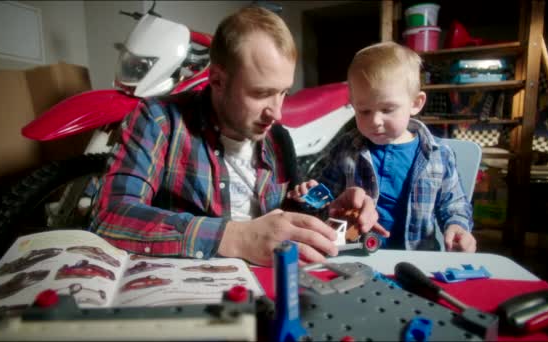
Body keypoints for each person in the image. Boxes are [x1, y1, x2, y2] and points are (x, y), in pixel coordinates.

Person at [89, 6, 388, 266]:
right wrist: (235, 236)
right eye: (261, 94)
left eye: (283, 92)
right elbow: (111, 216)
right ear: (217, 80)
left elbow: (284, 215)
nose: (277, 113)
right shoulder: (158, 121)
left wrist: (330, 213)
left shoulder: (277, 139)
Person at [288, 41, 477, 252]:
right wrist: (310, 195)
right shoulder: (346, 149)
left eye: (387, 109)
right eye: (364, 111)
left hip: (419, 258)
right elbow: (328, 201)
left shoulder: (439, 155)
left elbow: (454, 204)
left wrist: (458, 227)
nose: (375, 121)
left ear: (415, 103)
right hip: (355, 254)